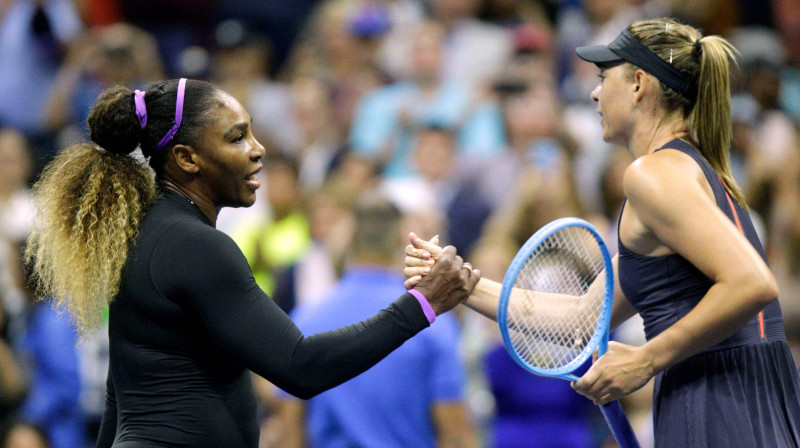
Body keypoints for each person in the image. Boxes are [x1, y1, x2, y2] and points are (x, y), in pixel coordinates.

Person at [404, 17, 800, 447]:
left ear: (638, 84)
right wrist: (464, 285)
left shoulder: (653, 175)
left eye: (602, 76)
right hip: (741, 394)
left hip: (719, 401)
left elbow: (753, 282)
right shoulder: (690, 171)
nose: (594, 92)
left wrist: (646, 360)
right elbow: (580, 320)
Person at [23, 78, 481, 448]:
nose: (258, 149)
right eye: (237, 137)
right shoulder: (195, 245)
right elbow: (301, 366)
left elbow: (119, 397)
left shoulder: (150, 232)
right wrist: (422, 304)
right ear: (187, 159)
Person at [276, 193, 478, 448]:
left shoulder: (306, 318)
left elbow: (289, 433)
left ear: (350, 240)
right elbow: (456, 434)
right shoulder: (433, 322)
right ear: (400, 240)